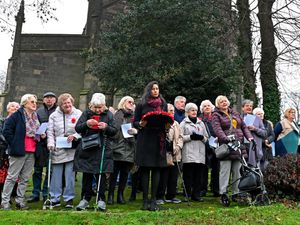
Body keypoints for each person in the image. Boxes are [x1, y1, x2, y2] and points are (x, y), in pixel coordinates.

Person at [74, 93, 117, 211]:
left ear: (104, 106)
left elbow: (114, 131)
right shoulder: (86, 113)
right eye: (95, 107)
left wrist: (106, 127)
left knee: (101, 174)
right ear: (91, 105)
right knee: (87, 173)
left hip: (103, 147)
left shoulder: (108, 114)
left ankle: (101, 199)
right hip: (88, 148)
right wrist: (86, 124)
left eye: (100, 107)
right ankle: (85, 199)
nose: (98, 110)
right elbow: (77, 128)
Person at [1, 94, 42, 210]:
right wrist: (14, 143)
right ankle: (4, 202)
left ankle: (20, 201)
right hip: (18, 150)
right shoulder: (16, 115)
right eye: (32, 102)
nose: (35, 104)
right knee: (12, 177)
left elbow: (37, 131)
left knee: (24, 178)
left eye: (35, 102)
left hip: (32, 150)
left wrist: (41, 134)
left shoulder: (36, 116)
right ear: (25, 103)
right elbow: (6, 131)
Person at [133, 81, 168, 211]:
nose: (155, 91)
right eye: (153, 89)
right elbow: (135, 122)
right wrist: (140, 124)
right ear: (149, 90)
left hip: (159, 139)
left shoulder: (163, 104)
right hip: (145, 138)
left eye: (157, 89)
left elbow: (166, 120)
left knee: (157, 169)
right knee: (145, 169)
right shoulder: (142, 104)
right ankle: (145, 200)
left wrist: (167, 126)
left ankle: (153, 200)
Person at [212, 95, 253, 202]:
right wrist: (225, 138)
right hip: (227, 146)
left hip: (238, 145)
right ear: (218, 104)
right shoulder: (216, 115)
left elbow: (243, 126)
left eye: (225, 101)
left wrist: (249, 137)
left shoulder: (235, 113)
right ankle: (223, 194)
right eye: (221, 102)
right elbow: (217, 129)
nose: (224, 103)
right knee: (225, 172)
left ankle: (236, 193)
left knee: (237, 171)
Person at [47, 93, 82, 208]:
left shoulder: (78, 113)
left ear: (72, 102)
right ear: (60, 105)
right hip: (57, 149)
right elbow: (50, 132)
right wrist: (51, 144)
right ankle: (55, 198)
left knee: (70, 175)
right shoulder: (53, 116)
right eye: (64, 103)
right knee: (56, 175)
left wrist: (75, 136)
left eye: (69, 102)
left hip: (72, 149)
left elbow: (82, 130)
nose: (67, 105)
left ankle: (69, 199)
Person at [28, 91, 57, 203]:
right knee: (38, 170)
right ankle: (35, 193)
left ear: (55, 100)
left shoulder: (58, 111)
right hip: (40, 144)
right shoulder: (38, 111)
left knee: (50, 170)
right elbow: (33, 126)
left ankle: (46, 193)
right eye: (47, 98)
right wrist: (39, 134)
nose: (49, 99)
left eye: (51, 97)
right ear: (43, 100)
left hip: (53, 144)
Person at [107, 96, 137, 205]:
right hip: (117, 147)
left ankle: (120, 195)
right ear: (123, 102)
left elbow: (139, 130)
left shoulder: (134, 117)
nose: (131, 104)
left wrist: (135, 131)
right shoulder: (117, 114)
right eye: (129, 102)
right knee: (114, 174)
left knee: (125, 174)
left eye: (133, 102)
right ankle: (110, 195)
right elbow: (112, 130)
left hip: (129, 148)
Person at [180, 103, 208, 202]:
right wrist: (190, 137)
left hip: (200, 152)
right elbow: (180, 138)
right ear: (187, 112)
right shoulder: (184, 123)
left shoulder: (201, 123)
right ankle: (186, 194)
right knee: (188, 175)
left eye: (195, 110)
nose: (194, 112)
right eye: (192, 110)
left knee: (198, 175)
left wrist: (201, 137)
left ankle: (196, 195)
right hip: (189, 152)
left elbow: (206, 137)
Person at [156, 103, 183, 204]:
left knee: (173, 175)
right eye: (170, 111)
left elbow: (180, 137)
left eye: (173, 111)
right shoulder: (161, 123)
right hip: (164, 153)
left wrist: (178, 146)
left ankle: (171, 195)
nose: (172, 113)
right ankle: (160, 196)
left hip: (175, 153)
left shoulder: (176, 123)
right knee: (163, 175)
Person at [199, 99, 220, 197]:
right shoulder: (199, 120)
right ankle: (203, 189)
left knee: (216, 168)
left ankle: (215, 189)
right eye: (204, 106)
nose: (207, 107)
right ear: (202, 109)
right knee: (203, 169)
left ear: (212, 108)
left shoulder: (216, 118)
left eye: (208, 106)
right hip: (204, 145)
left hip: (216, 145)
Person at [0, 102, 20, 202]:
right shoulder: (3, 120)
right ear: (8, 109)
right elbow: (2, 134)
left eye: (17, 107)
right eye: (13, 106)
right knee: (3, 173)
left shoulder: (20, 122)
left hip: (15, 151)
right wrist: (11, 142)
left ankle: (12, 194)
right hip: (4, 150)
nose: (15, 108)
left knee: (14, 173)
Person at [241, 99, 267, 168]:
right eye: (247, 106)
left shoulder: (257, 119)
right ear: (242, 108)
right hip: (242, 146)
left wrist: (255, 129)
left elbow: (264, 133)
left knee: (254, 170)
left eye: (251, 106)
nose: (249, 107)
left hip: (253, 147)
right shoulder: (239, 118)